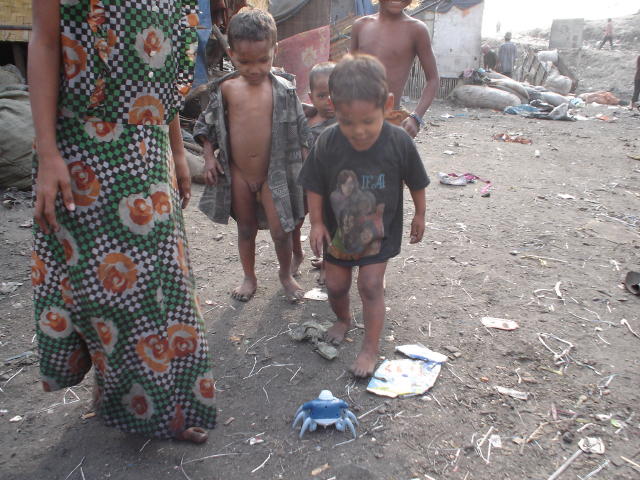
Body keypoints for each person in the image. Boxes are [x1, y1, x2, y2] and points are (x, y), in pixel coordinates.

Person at [29, 0, 215, 442]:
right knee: (106, 288)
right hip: (84, 145)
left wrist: (176, 150)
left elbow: (158, 68)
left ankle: (164, 402)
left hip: (148, 142)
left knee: (165, 278)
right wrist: (48, 152)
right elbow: (46, 40)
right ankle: (136, 400)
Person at [299, 54, 429, 377]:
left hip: (379, 234)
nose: (358, 131)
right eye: (347, 122)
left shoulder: (399, 141)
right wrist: (316, 222)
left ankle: (370, 348)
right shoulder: (328, 141)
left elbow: (417, 181)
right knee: (335, 285)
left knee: (370, 286)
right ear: (333, 107)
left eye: (368, 122)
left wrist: (420, 214)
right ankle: (343, 319)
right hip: (338, 232)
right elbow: (313, 183)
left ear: (387, 105)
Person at [194, 10, 310, 303]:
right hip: (239, 173)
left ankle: (285, 275)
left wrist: (308, 165)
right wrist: (209, 158)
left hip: (275, 173)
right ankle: (249, 276)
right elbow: (206, 125)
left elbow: (301, 128)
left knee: (282, 230)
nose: (255, 69)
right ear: (231, 54)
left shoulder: (284, 90)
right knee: (245, 229)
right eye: (245, 62)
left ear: (274, 50)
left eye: (262, 60)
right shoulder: (226, 88)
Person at [351, 0, 439, 138]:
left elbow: (433, 79)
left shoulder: (416, 29)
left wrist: (416, 118)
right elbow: (348, 73)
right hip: (356, 118)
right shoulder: (361, 26)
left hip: (391, 120)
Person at [306, 62, 337, 284]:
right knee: (319, 224)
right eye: (322, 95)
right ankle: (326, 259)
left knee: (333, 224)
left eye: (335, 94)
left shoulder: (346, 121)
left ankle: (330, 263)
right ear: (311, 97)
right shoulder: (307, 122)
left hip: (338, 187)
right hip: (314, 187)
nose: (329, 101)